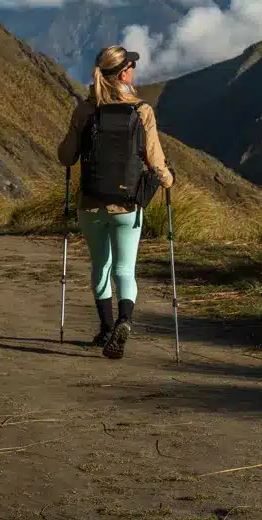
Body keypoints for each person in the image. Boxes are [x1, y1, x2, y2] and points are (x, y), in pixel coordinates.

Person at [57, 45, 174, 359]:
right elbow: (155, 160)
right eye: (132, 66)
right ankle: (125, 320)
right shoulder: (142, 111)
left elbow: (66, 156)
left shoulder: (85, 110)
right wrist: (167, 179)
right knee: (124, 268)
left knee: (101, 266)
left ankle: (106, 329)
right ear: (123, 74)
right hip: (127, 205)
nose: (134, 71)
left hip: (91, 204)